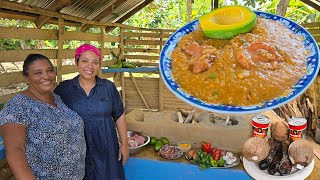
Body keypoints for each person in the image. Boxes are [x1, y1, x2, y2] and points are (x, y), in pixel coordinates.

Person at [0, 54, 86, 179]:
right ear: (27, 78)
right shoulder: (18, 106)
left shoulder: (56, 98)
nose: (46, 76)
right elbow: (15, 150)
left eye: (49, 70)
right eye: (37, 73)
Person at [54, 44, 129, 180]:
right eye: (85, 61)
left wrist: (124, 144)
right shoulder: (64, 89)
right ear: (76, 62)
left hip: (107, 146)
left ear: (99, 66)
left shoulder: (108, 87)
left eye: (95, 62)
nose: (90, 66)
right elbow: (54, 117)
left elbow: (119, 115)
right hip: (76, 150)